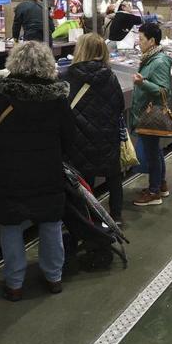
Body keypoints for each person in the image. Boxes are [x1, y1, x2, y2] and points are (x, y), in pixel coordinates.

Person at [0, 41, 72, 302]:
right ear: (48, 64)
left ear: (14, 62)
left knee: (11, 226)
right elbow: (70, 138)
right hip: (47, 173)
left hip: (8, 174)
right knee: (51, 223)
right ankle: (54, 277)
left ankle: (15, 284)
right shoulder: (58, 97)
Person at [62, 33, 127, 225]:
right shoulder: (110, 76)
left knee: (85, 180)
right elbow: (120, 105)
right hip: (107, 135)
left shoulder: (68, 76)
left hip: (79, 138)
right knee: (114, 177)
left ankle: (89, 219)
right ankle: (116, 216)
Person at [131, 22, 172, 207]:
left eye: (141, 39)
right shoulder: (150, 58)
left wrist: (143, 84)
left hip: (152, 115)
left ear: (152, 41)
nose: (138, 43)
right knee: (155, 151)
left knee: (152, 153)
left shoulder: (159, 61)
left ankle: (154, 191)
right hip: (145, 113)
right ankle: (160, 184)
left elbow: (165, 90)